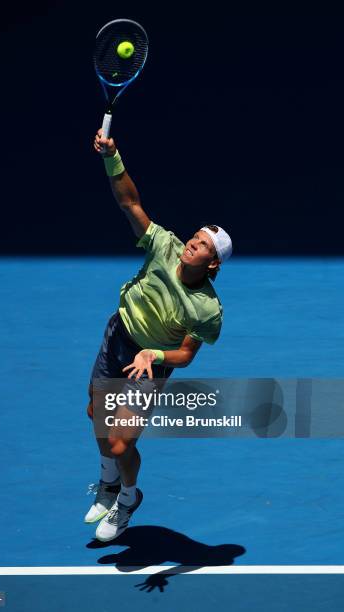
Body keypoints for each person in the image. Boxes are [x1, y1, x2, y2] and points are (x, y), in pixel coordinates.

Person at [85, 128, 232, 542]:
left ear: (213, 264)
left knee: (119, 443)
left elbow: (185, 355)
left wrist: (154, 355)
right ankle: (108, 483)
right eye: (196, 236)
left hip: (149, 365)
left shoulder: (207, 309)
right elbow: (129, 201)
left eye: (203, 245)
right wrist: (112, 157)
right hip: (118, 336)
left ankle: (128, 497)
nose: (192, 243)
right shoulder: (163, 245)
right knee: (96, 416)